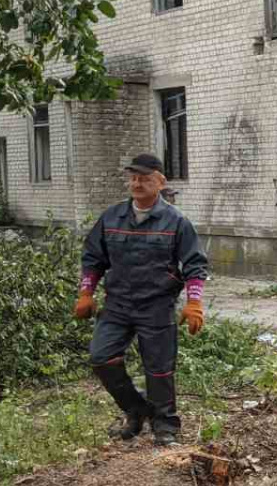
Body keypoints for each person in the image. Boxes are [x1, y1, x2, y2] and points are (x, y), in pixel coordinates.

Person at [74, 154, 208, 447]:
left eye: (145, 178)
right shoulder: (111, 217)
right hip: (117, 304)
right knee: (101, 355)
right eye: (133, 178)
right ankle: (136, 409)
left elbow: (195, 265)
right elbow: (93, 258)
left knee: (158, 368)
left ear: (160, 182)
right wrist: (86, 292)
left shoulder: (176, 221)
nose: (137, 183)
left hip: (156, 305)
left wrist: (194, 302)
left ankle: (165, 426)